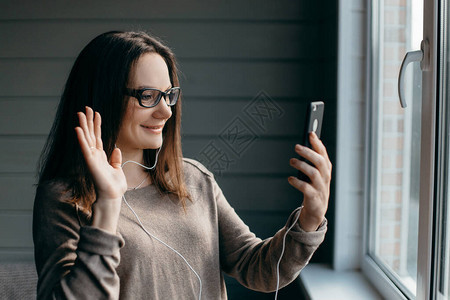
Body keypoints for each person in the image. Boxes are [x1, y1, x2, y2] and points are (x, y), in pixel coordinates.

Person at [33, 31, 332, 300]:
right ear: (102, 98)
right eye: (147, 96)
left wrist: (310, 218)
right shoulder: (62, 199)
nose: (165, 111)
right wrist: (108, 204)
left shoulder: (193, 177)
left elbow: (258, 268)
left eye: (168, 95)